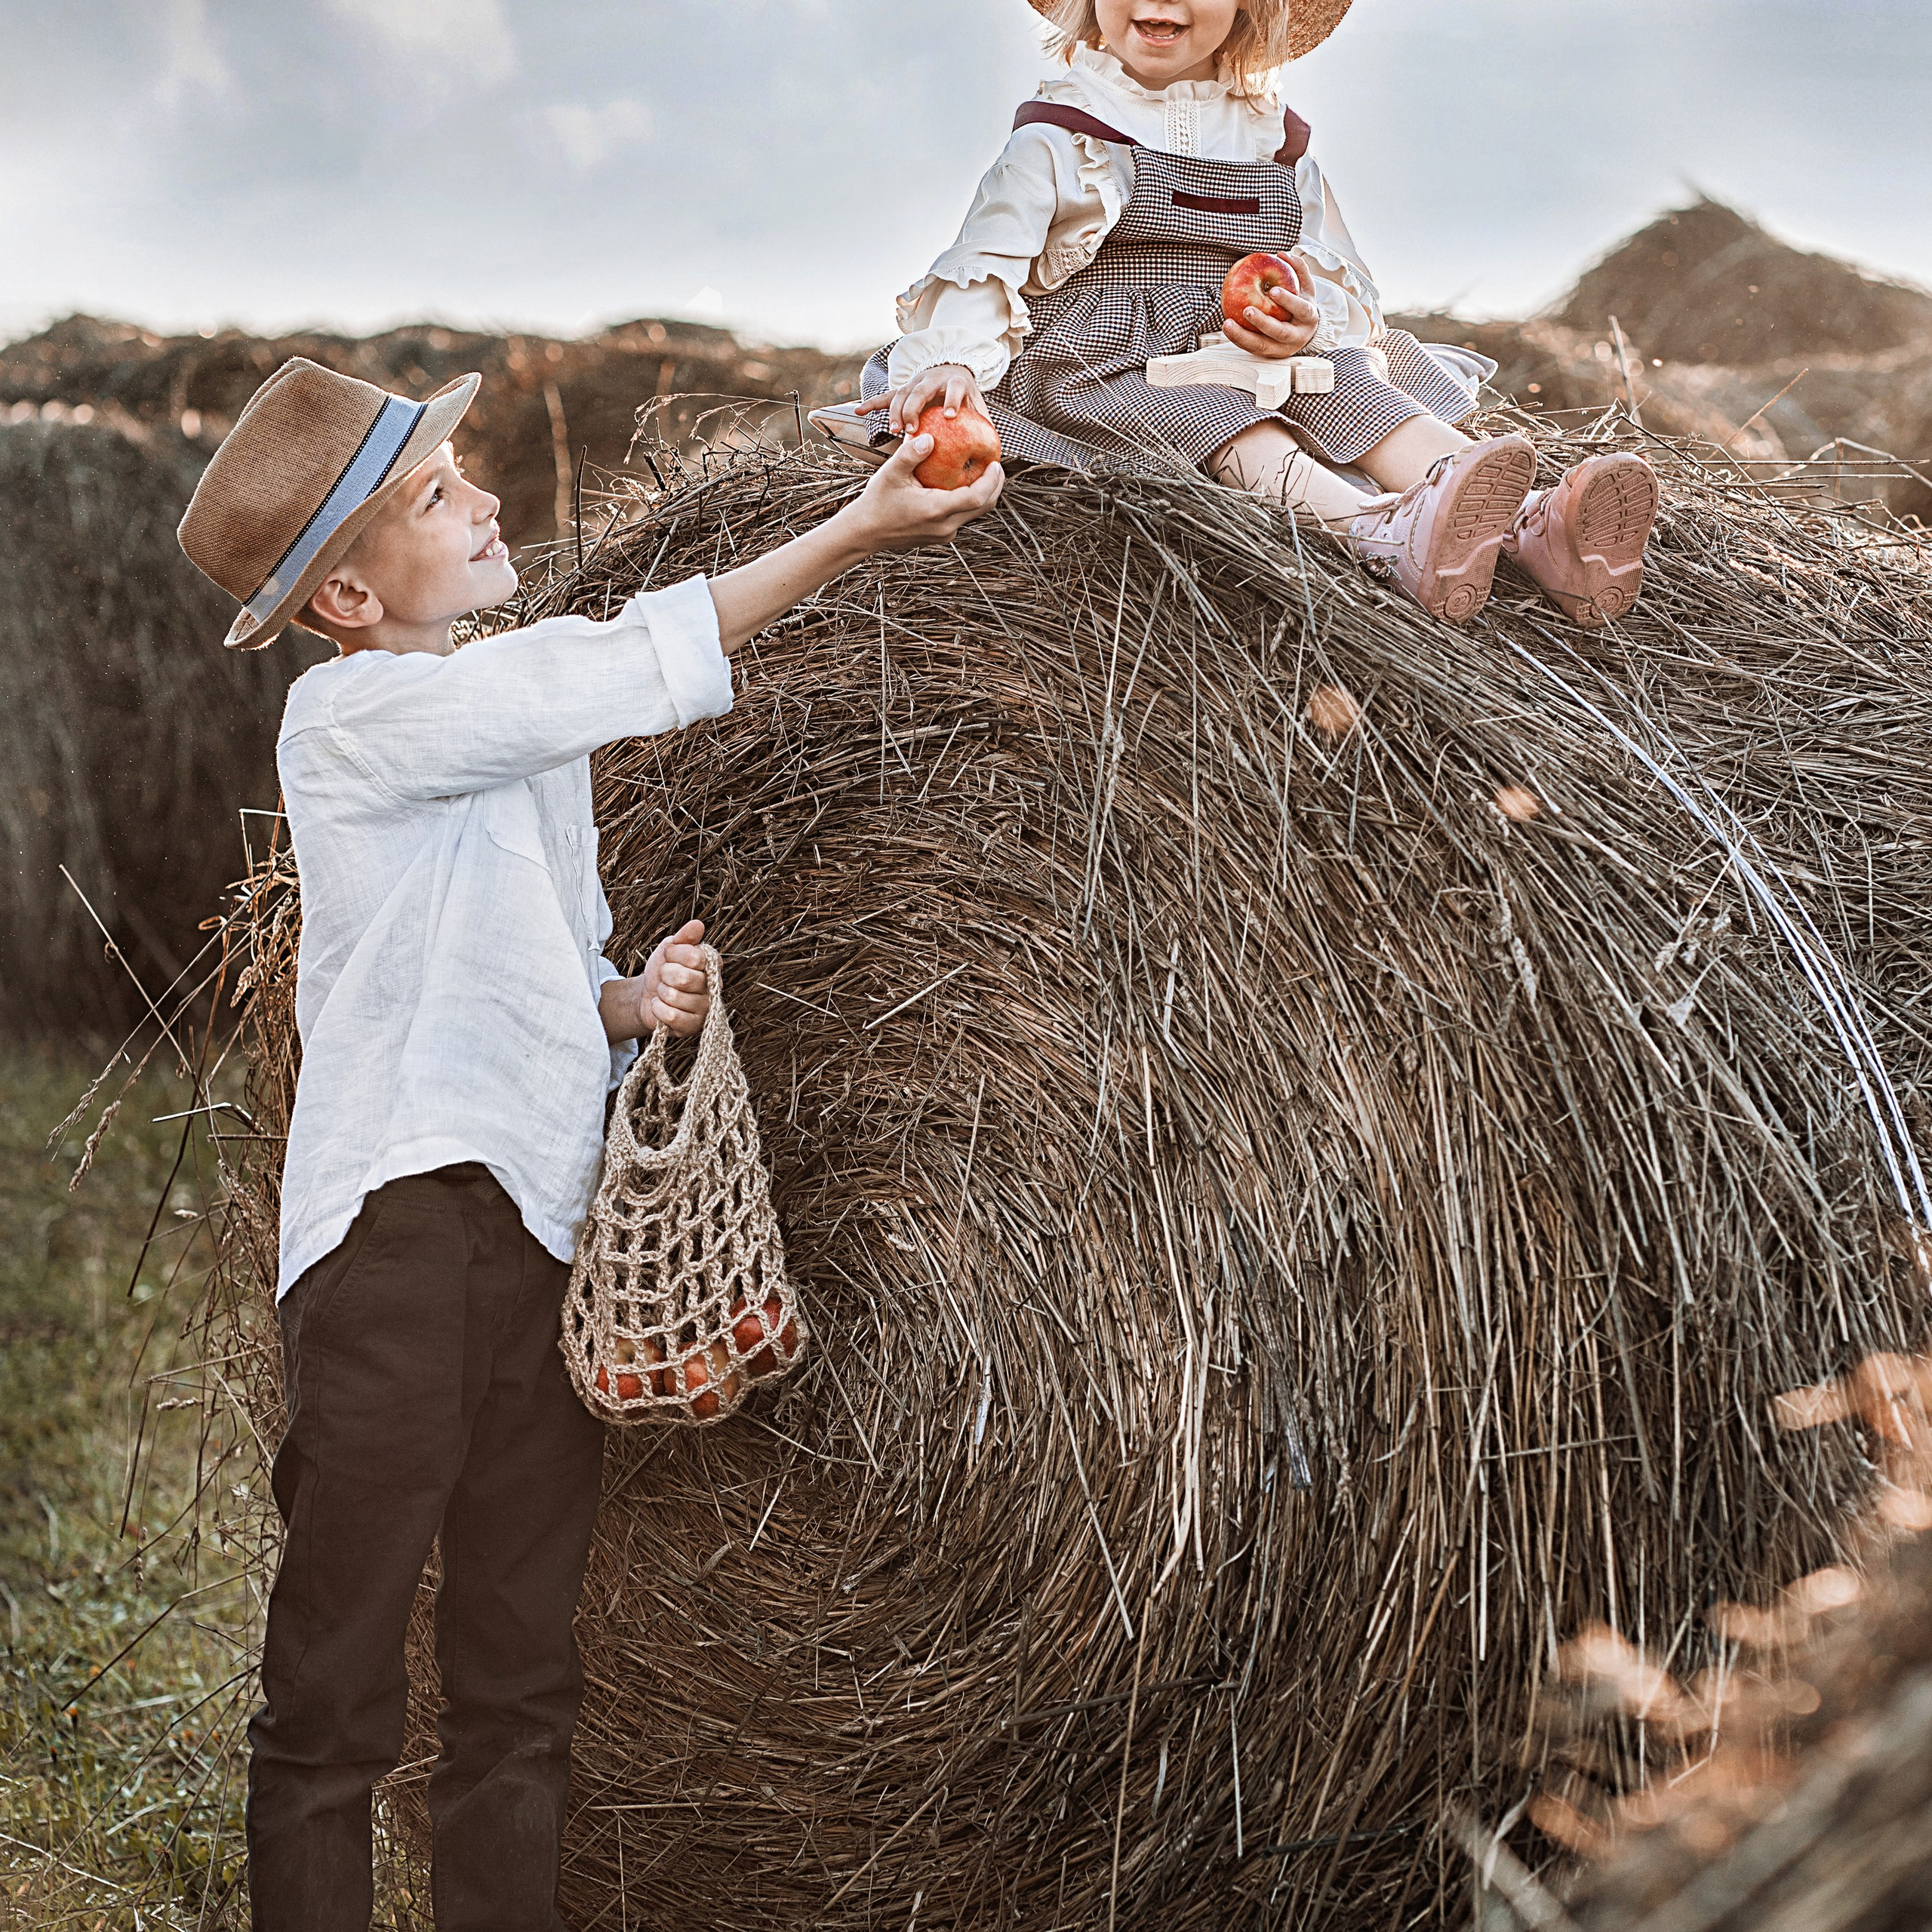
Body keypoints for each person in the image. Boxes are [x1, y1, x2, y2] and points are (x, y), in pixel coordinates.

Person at [174, 356, 1001, 1931]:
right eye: (436, 493)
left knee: (518, 1667)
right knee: (336, 1684)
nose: (483, 501)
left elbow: (536, 956)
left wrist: (628, 998)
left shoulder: (509, 730)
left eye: (463, 472)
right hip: (390, 1242)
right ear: (345, 594)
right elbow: (604, 667)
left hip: (537, 1233)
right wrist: (848, 530)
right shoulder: (343, 716)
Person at [860, 0, 1658, 628]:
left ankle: (1530, 523)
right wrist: (956, 356)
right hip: (1105, 356)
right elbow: (984, 257)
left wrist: (1307, 321)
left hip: (1248, 334)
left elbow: (1326, 264)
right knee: (1220, 417)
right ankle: (1378, 530)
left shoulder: (1273, 136)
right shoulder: (1062, 134)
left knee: (1346, 381)